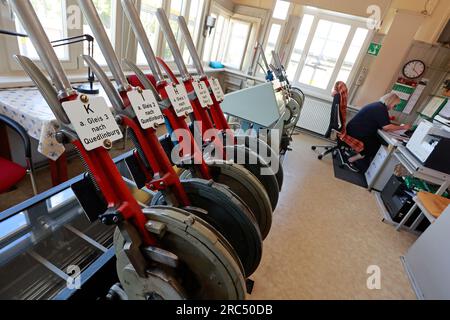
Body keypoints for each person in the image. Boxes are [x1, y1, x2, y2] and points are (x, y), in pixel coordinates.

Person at [345, 92, 411, 169]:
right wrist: (403, 127)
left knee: (377, 141)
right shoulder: (380, 109)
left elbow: (384, 125)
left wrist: (393, 127)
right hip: (356, 132)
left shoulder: (378, 106)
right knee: (376, 146)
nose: (394, 107)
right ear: (391, 102)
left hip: (354, 129)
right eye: (395, 105)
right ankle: (353, 159)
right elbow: (386, 127)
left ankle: (360, 159)